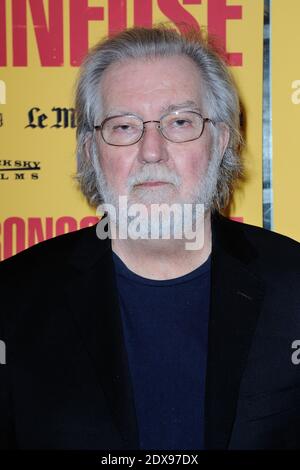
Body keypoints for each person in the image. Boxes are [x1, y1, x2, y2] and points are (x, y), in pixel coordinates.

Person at [0, 25, 300, 451]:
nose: (152, 150)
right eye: (124, 127)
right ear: (90, 151)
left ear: (221, 141)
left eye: (180, 122)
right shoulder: (13, 299)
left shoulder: (294, 287)